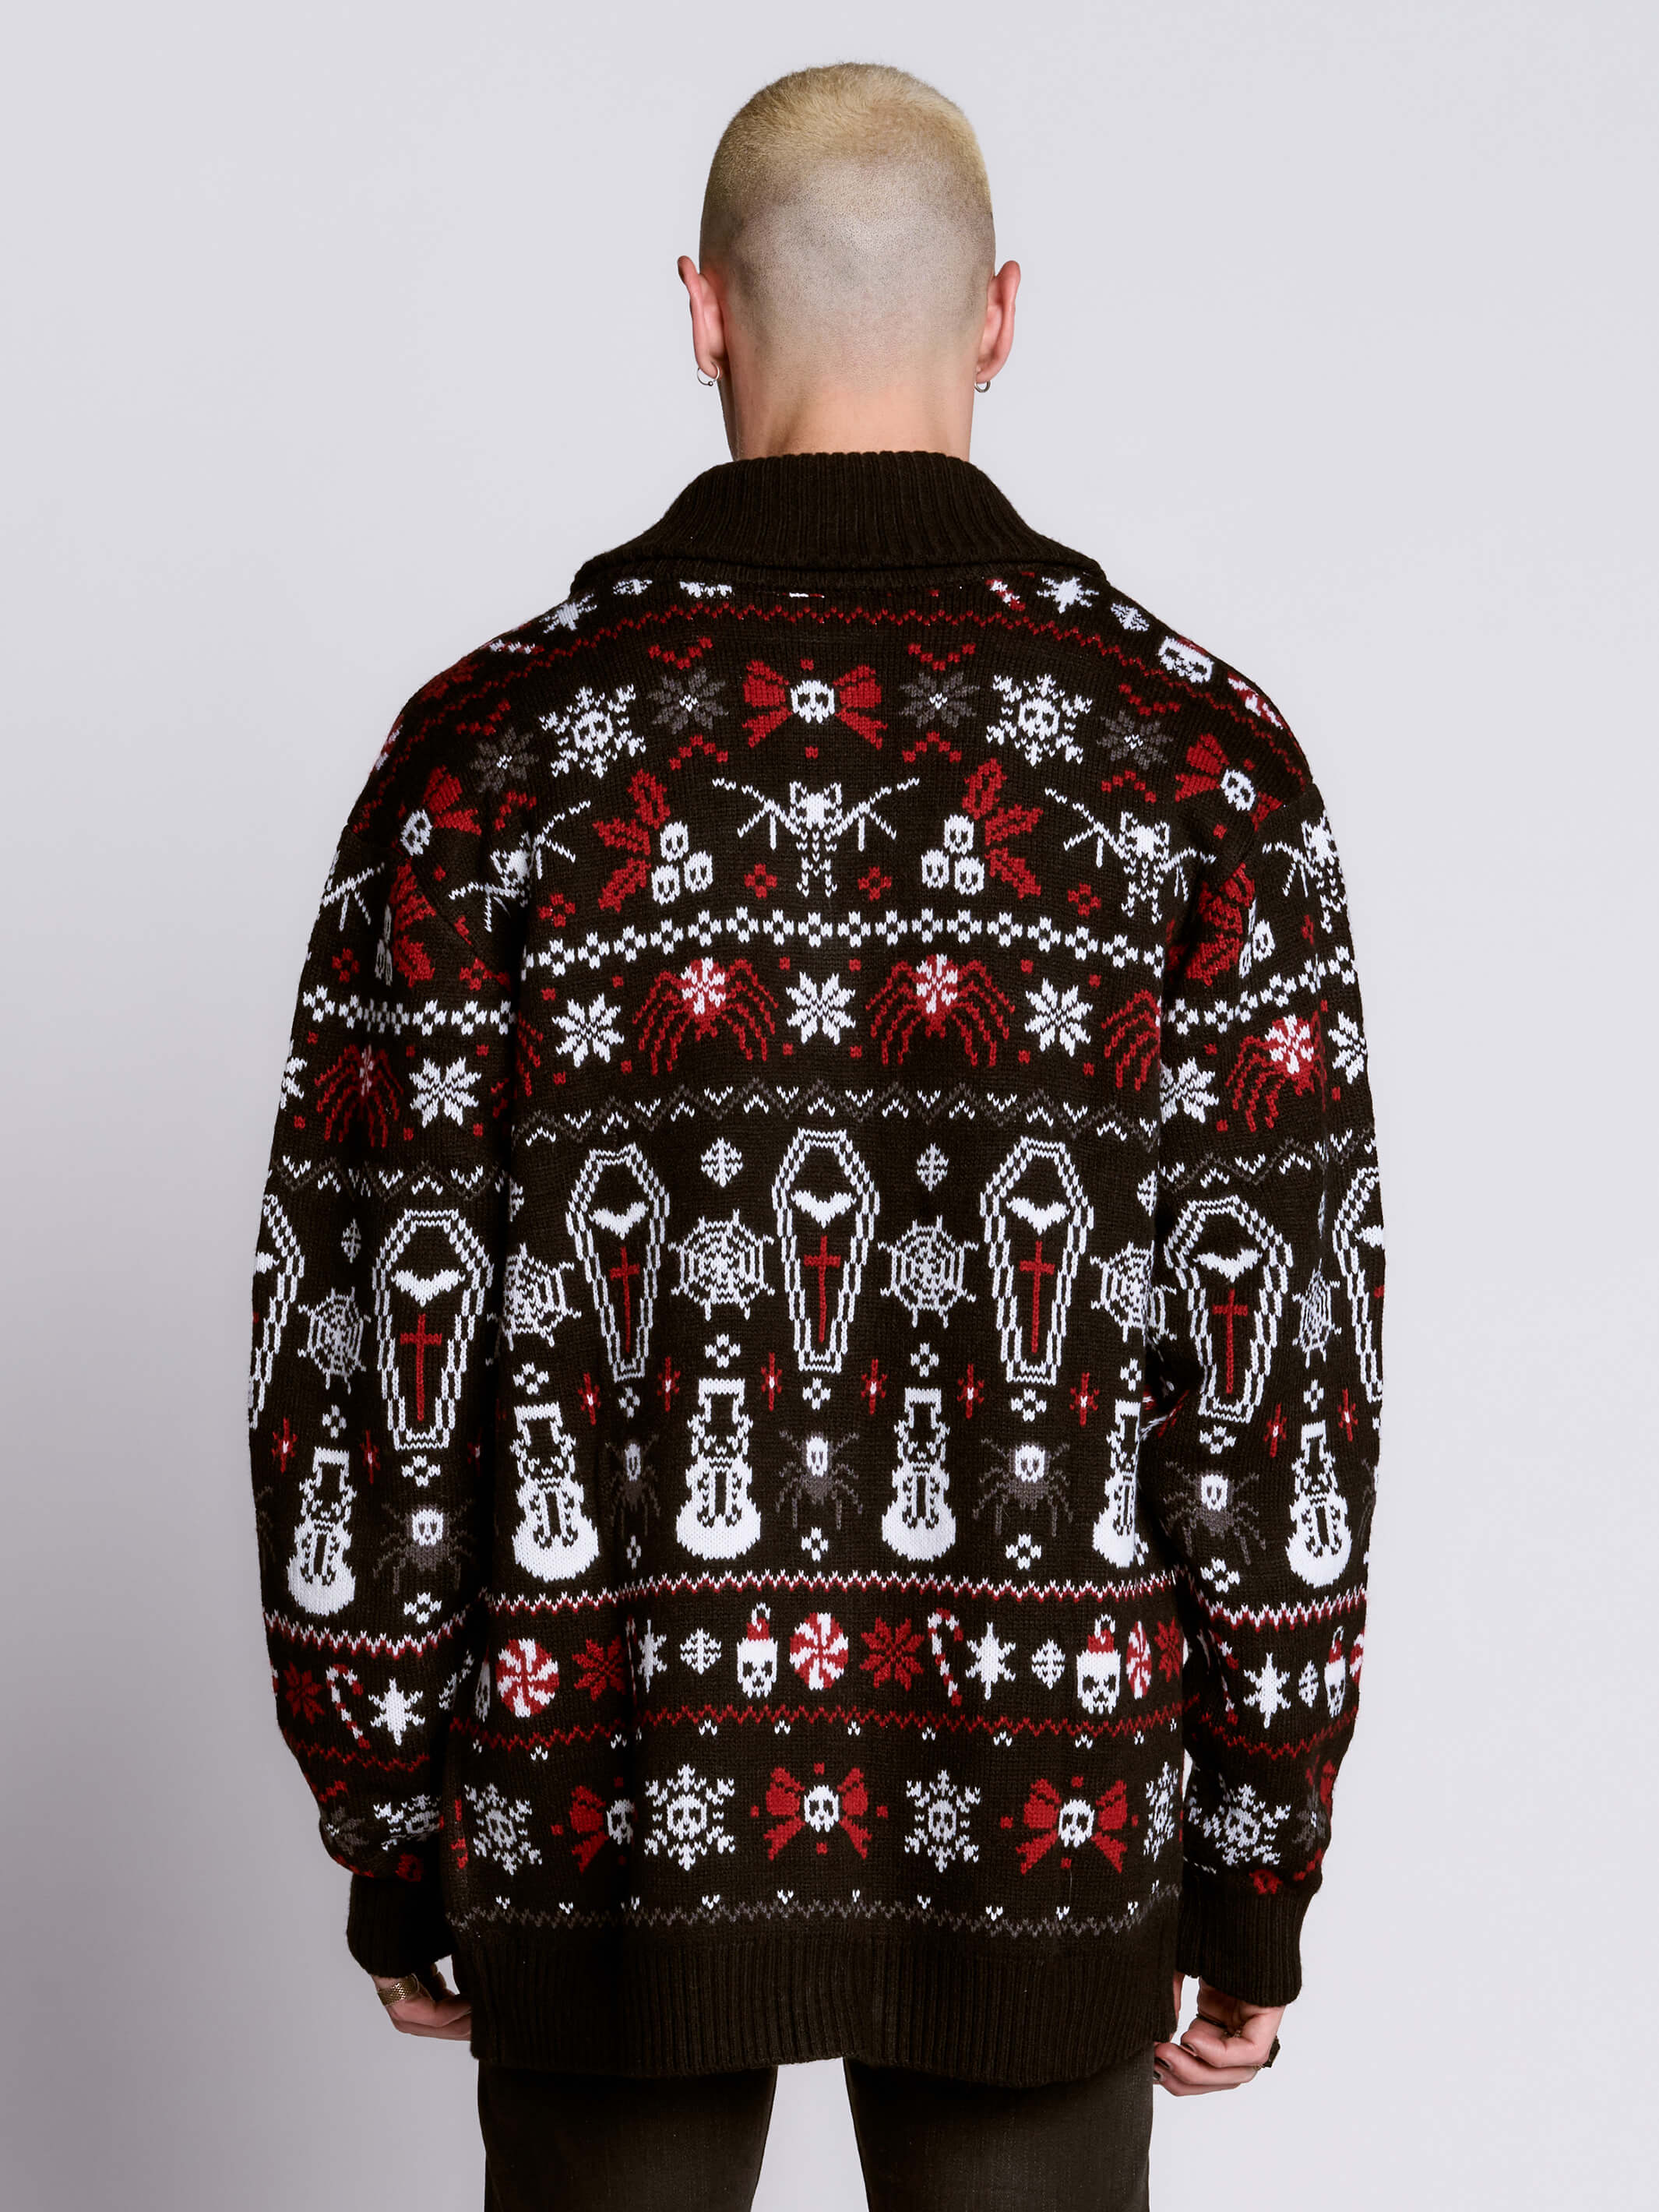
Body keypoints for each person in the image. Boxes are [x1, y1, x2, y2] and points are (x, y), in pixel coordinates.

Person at [248, 62, 1383, 2210]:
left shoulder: (492, 755)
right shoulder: (1193, 764)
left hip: (605, 1796)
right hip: (1047, 1809)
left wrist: (392, 1822)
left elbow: (365, 1330)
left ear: (699, 310)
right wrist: (1256, 1860)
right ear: (1001, 315)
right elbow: (1281, 1354)